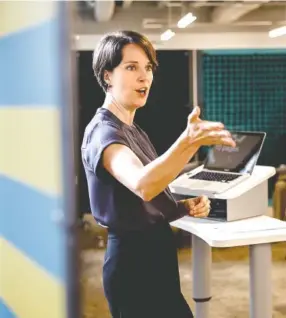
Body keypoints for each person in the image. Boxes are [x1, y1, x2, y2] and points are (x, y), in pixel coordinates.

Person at [81, 30, 236, 318]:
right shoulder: (105, 133)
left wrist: (181, 207)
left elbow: (144, 196)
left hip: (155, 257)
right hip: (133, 266)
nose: (144, 77)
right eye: (131, 67)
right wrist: (188, 142)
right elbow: (142, 184)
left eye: (148, 67)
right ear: (107, 76)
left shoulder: (131, 128)